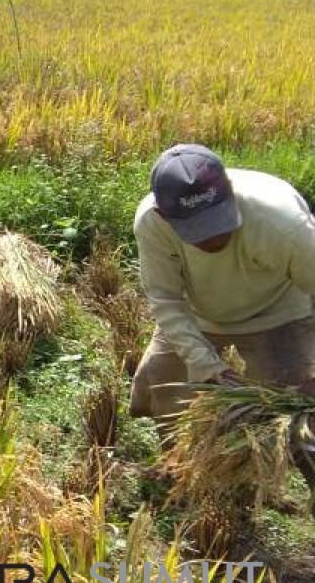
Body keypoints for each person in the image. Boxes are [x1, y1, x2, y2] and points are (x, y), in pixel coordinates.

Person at [129, 144, 315, 495]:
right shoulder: (152, 223)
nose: (214, 237)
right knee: (161, 383)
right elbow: (166, 300)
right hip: (200, 313)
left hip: (278, 312)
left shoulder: (280, 220)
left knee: (297, 410)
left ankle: (283, 480)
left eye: (218, 222)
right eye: (198, 230)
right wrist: (206, 365)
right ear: (165, 217)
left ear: (230, 192)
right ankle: (183, 472)